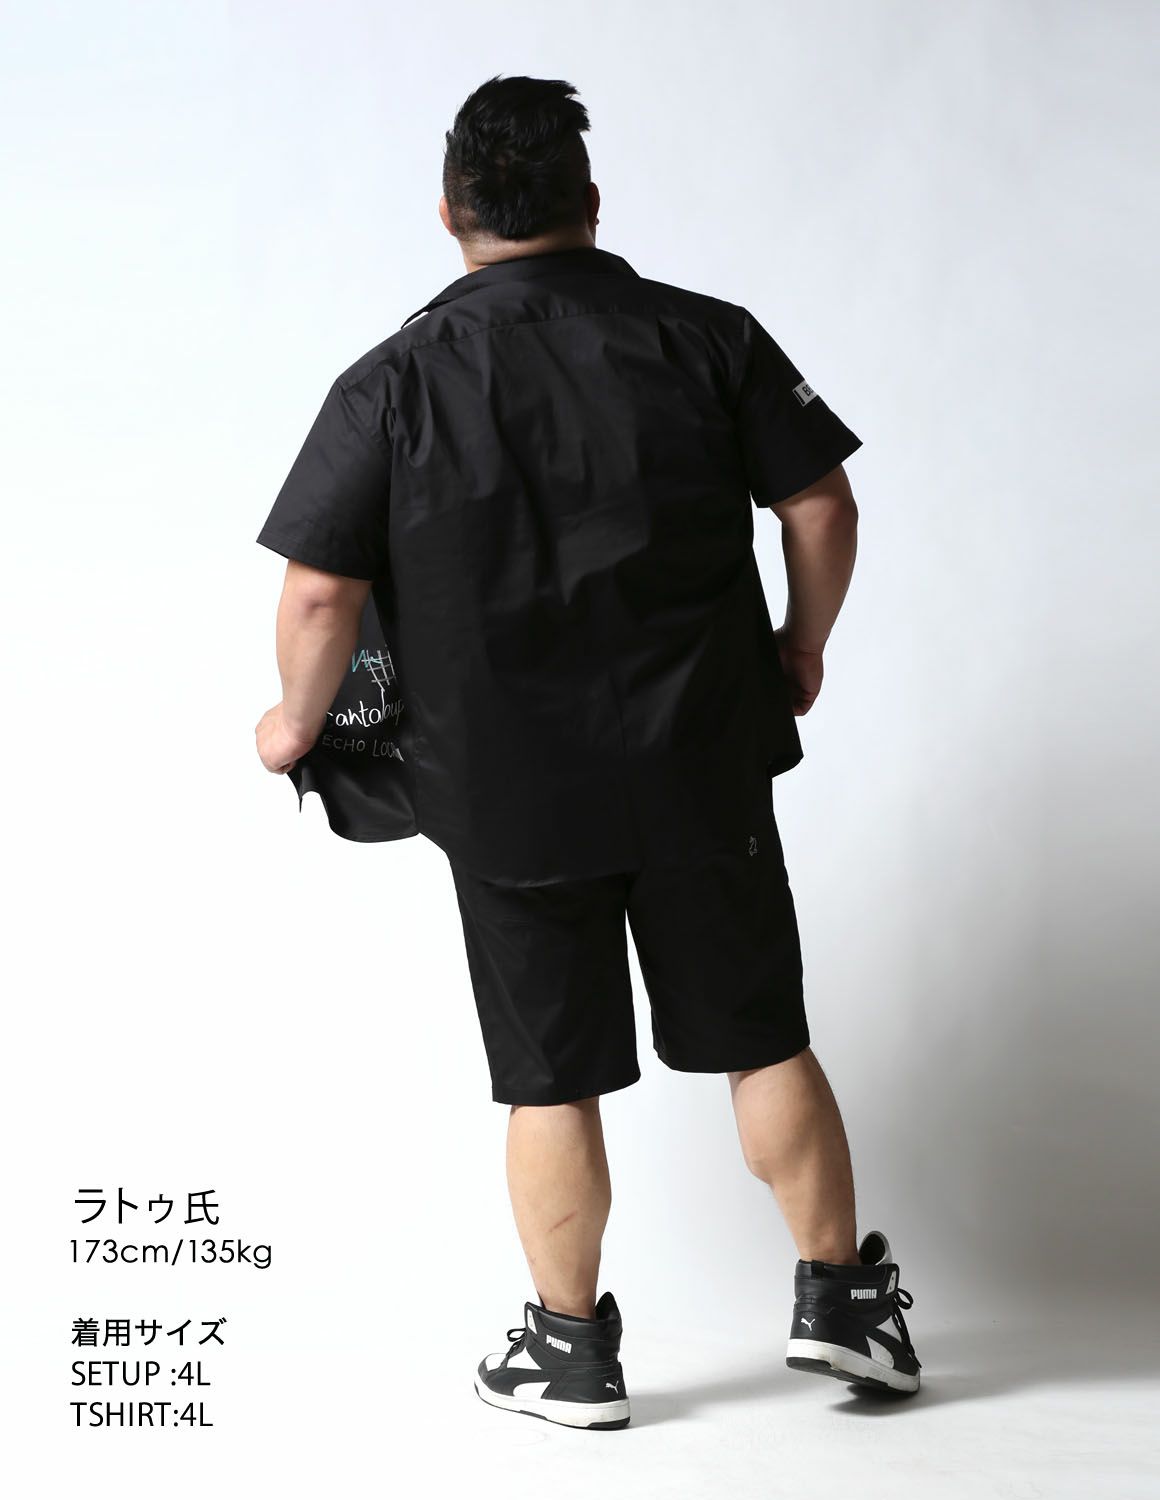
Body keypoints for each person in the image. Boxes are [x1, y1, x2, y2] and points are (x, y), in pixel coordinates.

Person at [254, 73, 922, 1430]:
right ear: (592, 202)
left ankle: (569, 1354)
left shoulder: (391, 383)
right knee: (762, 1038)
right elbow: (824, 504)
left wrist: (295, 723)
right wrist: (801, 648)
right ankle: (846, 1305)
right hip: (700, 763)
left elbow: (320, 593)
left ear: (450, 212)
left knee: (549, 1074)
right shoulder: (708, 338)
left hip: (506, 795)